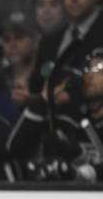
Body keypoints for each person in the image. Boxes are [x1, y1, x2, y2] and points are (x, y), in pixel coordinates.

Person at [7, 48, 103, 181]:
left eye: (99, 70)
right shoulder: (68, 117)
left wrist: (80, 173)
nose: (90, 76)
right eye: (87, 69)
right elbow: (17, 149)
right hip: (57, 196)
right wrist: (44, 100)